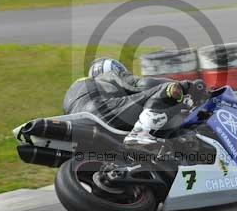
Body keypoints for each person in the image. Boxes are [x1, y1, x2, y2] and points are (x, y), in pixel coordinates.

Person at [63, 58, 208, 146]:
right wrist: (185, 86)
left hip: (81, 126)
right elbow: (143, 84)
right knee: (169, 89)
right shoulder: (108, 75)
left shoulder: (76, 90)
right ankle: (140, 134)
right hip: (103, 112)